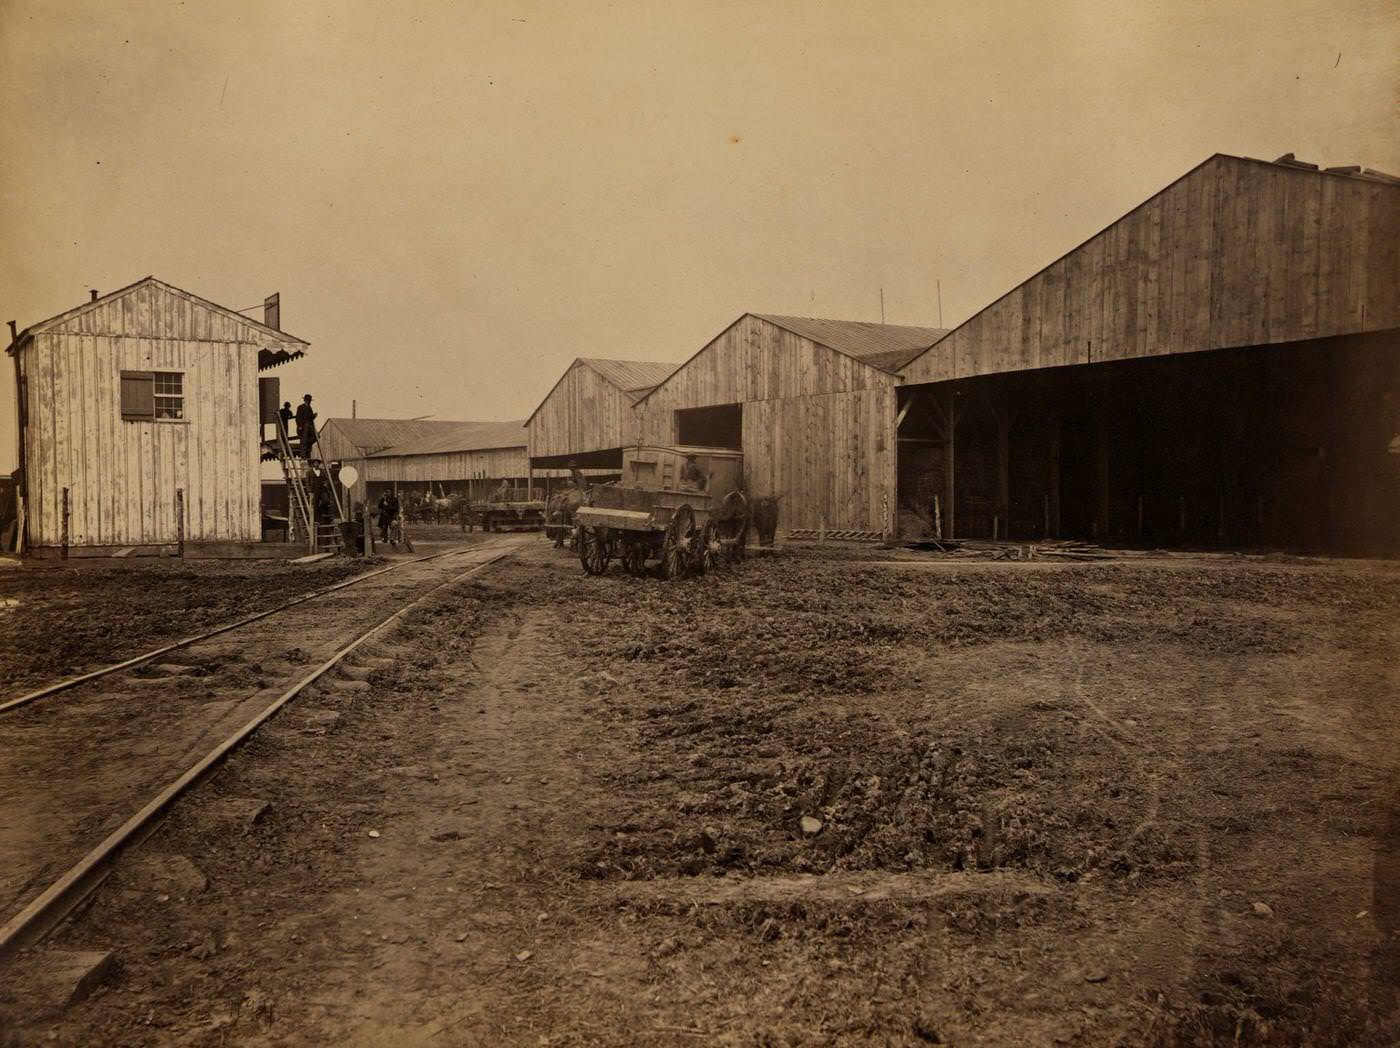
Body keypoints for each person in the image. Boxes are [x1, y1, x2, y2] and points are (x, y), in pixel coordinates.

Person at [295, 394, 317, 459]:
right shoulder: (300, 407)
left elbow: (310, 418)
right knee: (304, 441)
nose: (309, 401)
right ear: (305, 400)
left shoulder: (310, 408)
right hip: (303, 427)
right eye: (308, 400)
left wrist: (314, 416)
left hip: (310, 427)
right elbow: (298, 417)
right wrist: (299, 426)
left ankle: (307, 448)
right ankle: (303, 456)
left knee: (315, 437)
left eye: (309, 400)